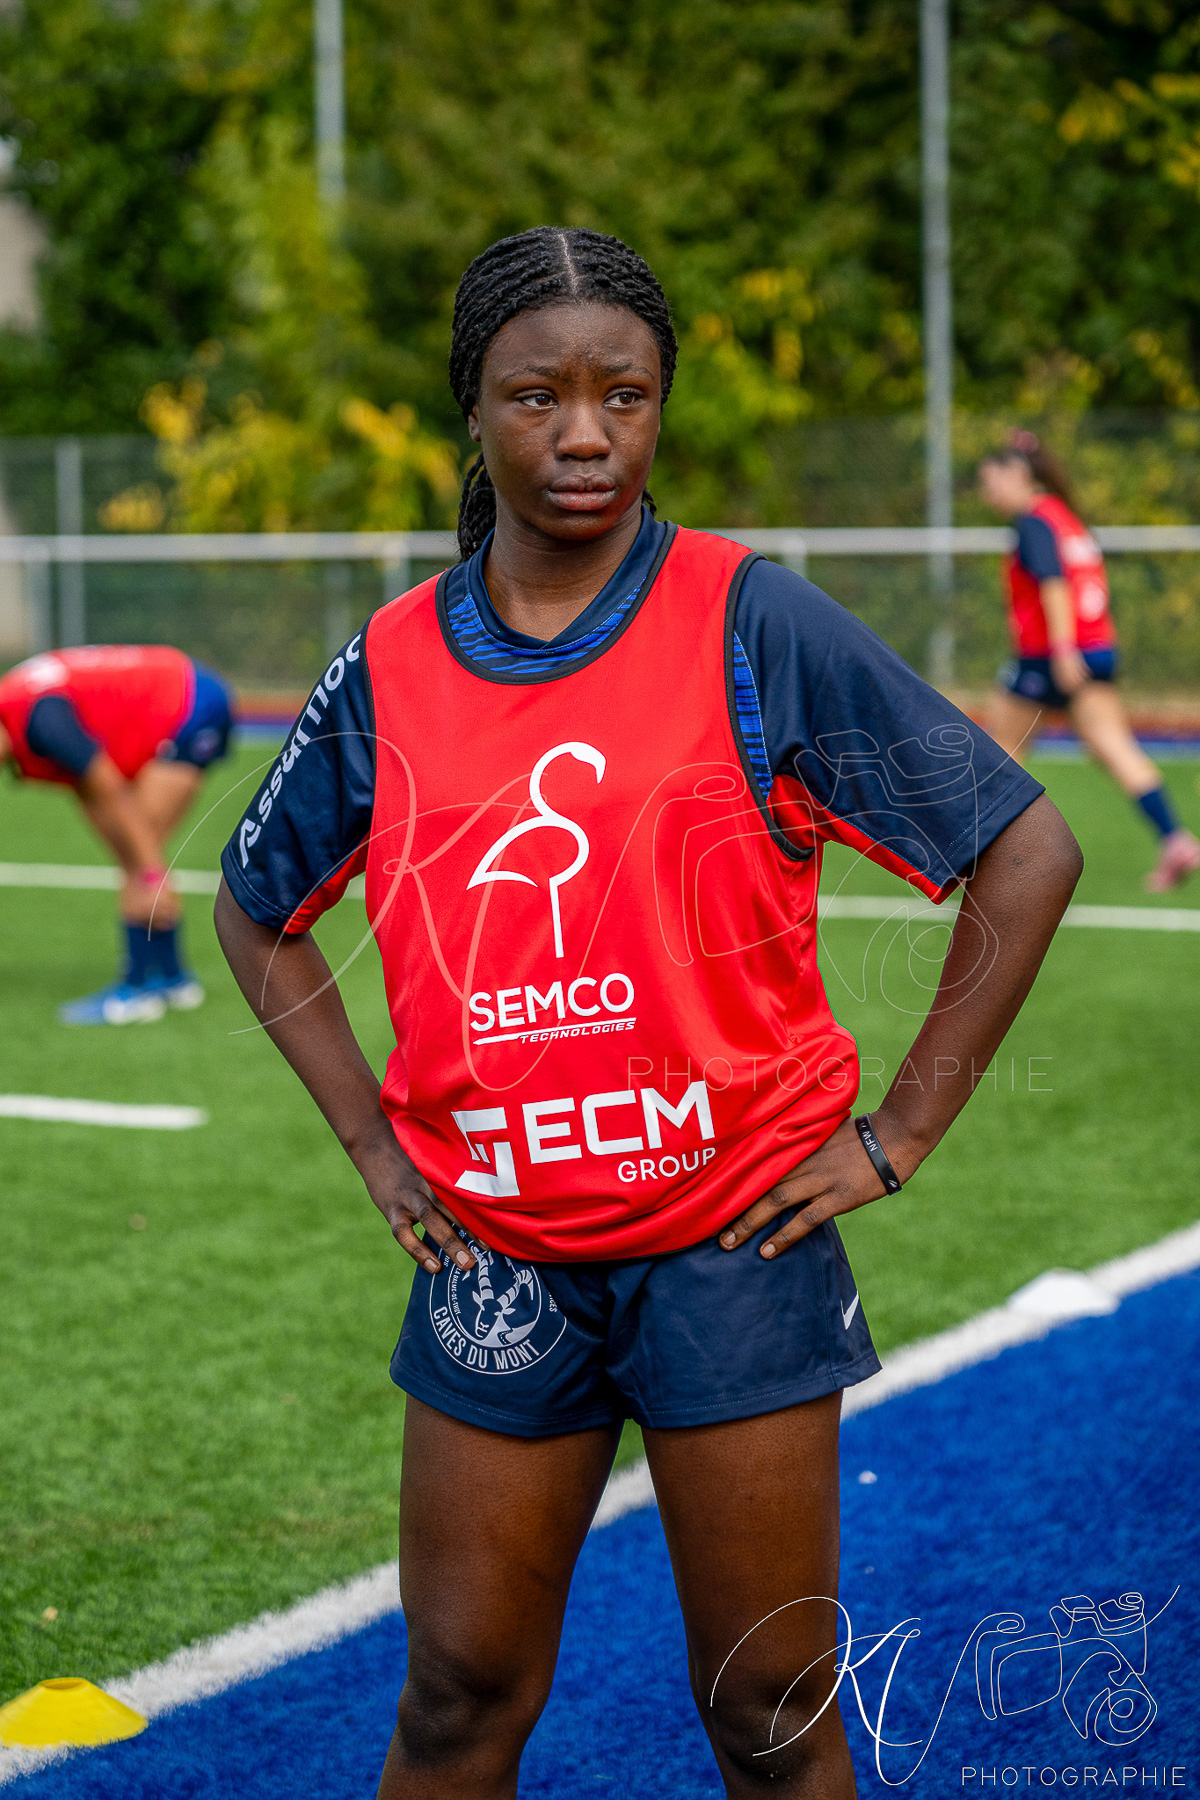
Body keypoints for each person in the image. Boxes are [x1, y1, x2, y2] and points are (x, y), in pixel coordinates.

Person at [215, 227, 1082, 1799]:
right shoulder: (393, 665)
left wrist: (900, 1133)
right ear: (470, 412)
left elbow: (1028, 848)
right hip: (499, 1253)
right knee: (456, 1700)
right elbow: (253, 906)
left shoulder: (752, 621)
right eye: (535, 395)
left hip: (731, 1249)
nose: (585, 434)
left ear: (661, 405)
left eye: (625, 394)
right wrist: (373, 1148)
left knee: (769, 1709)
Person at [979, 432, 1200, 892]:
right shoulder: (1067, 519)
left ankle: (983, 855)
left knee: (1000, 752)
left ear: (1019, 474)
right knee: (1113, 747)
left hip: (1052, 655)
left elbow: (1054, 583)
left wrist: (1061, 648)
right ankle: (1175, 839)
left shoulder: (1033, 522)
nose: (988, 493)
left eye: (992, 480)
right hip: (1096, 650)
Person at [0, 642, 234, 1023]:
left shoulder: (39, 719)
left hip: (188, 703)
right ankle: (173, 979)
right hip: (180, 688)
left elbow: (108, 788)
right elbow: (87, 788)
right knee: (134, 853)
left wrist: (150, 872)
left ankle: (139, 989)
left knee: (141, 856)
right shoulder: (18, 704)